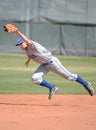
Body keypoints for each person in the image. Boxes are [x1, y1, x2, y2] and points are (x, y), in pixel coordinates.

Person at [14, 29, 94, 100]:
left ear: (25, 42)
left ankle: (86, 84)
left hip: (52, 62)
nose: (20, 46)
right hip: (44, 65)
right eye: (19, 45)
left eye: (21, 44)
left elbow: (28, 41)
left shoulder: (32, 45)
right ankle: (52, 88)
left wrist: (17, 32)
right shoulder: (27, 50)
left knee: (70, 77)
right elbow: (30, 55)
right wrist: (28, 61)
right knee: (35, 78)